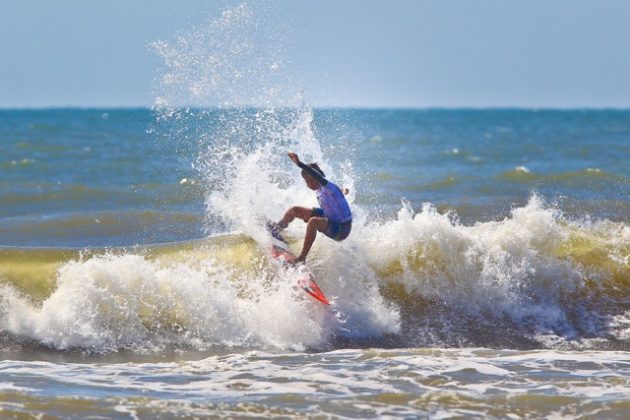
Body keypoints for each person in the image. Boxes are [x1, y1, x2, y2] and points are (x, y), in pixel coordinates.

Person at [270, 152, 352, 263]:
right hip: (330, 218)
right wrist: (343, 191)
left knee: (313, 222)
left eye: (312, 179)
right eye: (307, 181)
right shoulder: (320, 190)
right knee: (295, 210)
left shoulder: (328, 187)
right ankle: (276, 229)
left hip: (342, 229)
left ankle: (301, 258)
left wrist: (299, 163)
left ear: (319, 177)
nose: (310, 183)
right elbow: (337, 192)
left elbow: (328, 185)